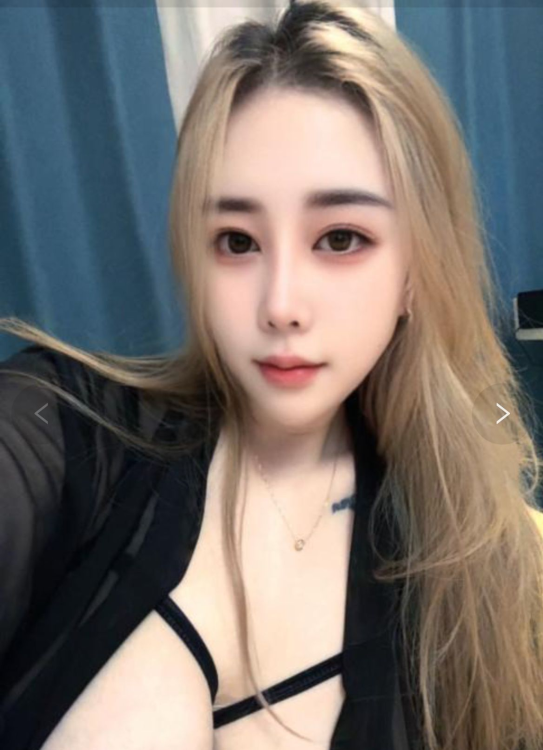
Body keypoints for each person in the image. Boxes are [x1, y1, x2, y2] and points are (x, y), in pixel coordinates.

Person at [1, 1, 543, 748]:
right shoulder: (58, 432)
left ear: (416, 272)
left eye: (340, 238)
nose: (280, 305)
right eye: (236, 240)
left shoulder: (473, 560)